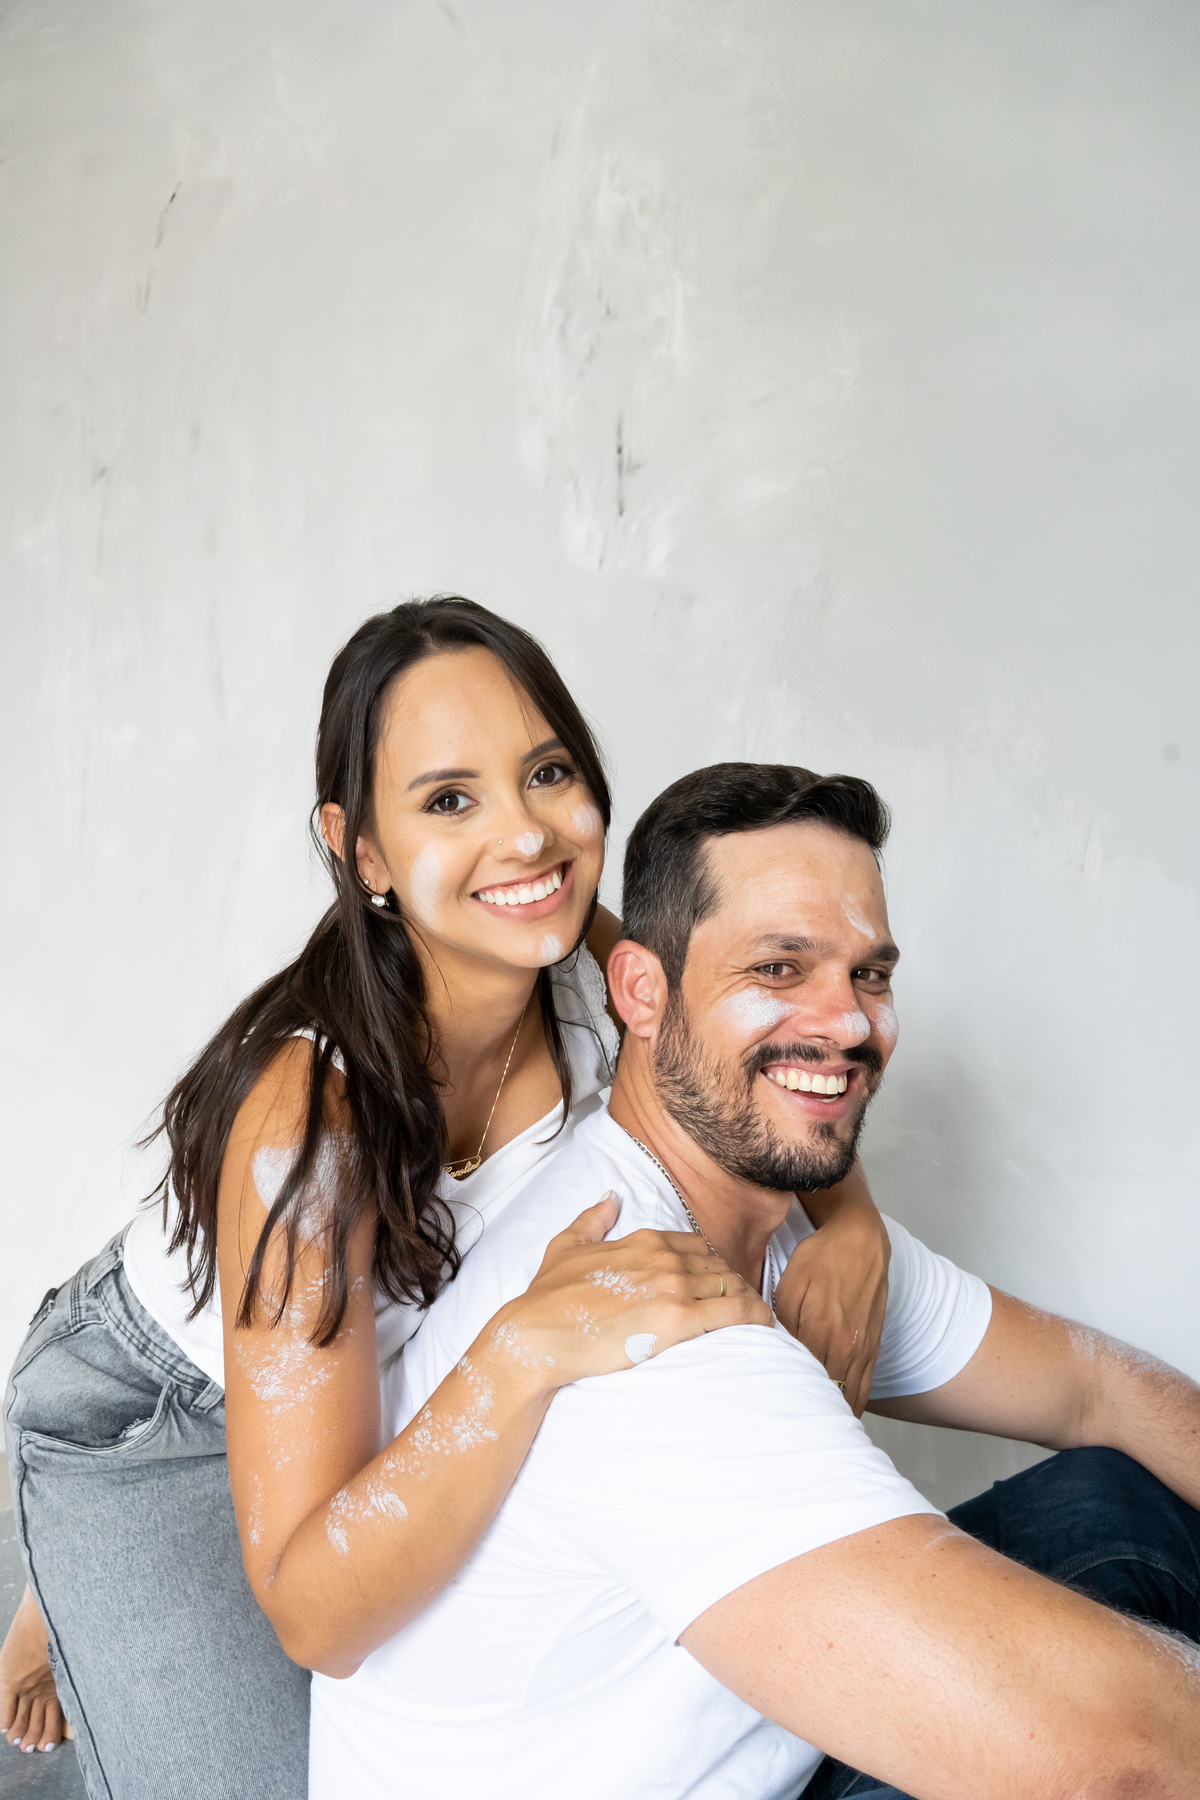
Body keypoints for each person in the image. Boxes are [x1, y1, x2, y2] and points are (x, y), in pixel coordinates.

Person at [2, 602, 891, 1795]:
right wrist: (520, 1355)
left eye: (548, 771)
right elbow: (318, 1620)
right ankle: (64, 1565)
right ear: (359, 847)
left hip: (376, 1382)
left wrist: (855, 1223)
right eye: (448, 800)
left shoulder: (589, 950)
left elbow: (753, 1029)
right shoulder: (306, 1129)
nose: (527, 837)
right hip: (171, 1410)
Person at [307, 759, 1200, 1800]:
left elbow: (1099, 1387)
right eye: (780, 970)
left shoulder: (783, 1227)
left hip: (743, 1758)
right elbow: (1125, 1762)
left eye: (870, 974)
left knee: (1111, 1501)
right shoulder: (639, 1320)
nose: (850, 1023)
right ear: (641, 990)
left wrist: (856, 1224)